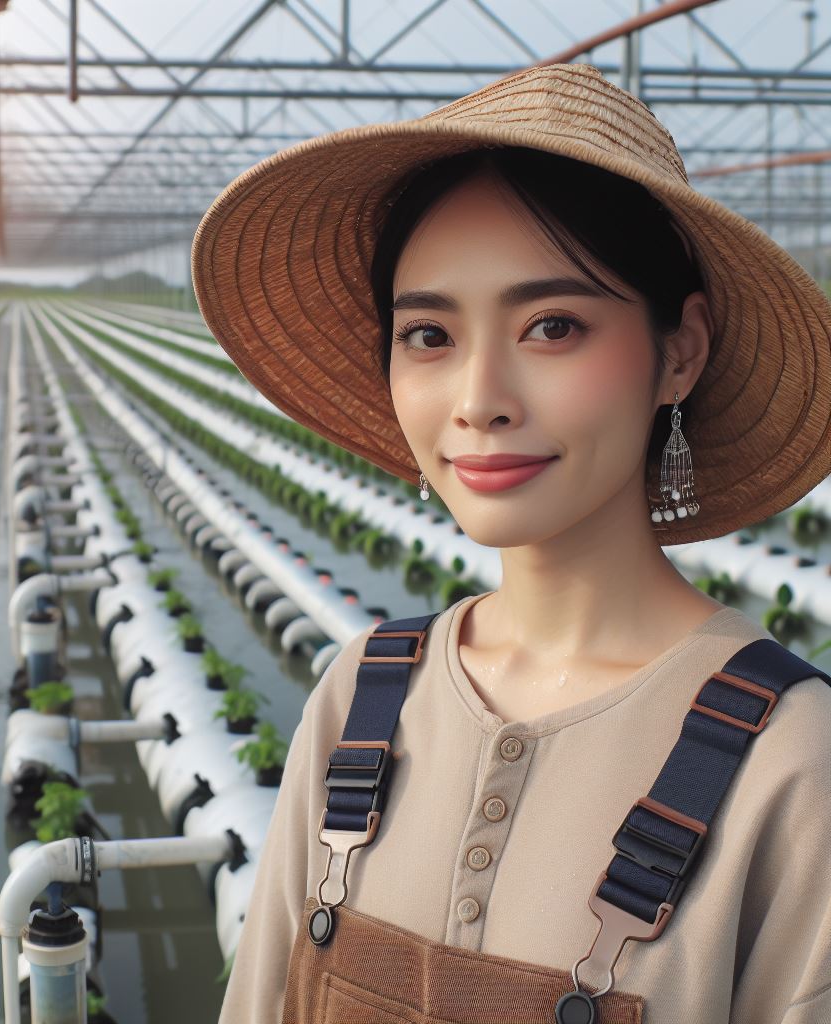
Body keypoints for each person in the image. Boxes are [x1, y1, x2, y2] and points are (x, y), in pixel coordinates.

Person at [191, 63, 831, 1023]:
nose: (480, 397)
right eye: (429, 335)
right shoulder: (364, 694)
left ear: (681, 351)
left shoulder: (792, 762)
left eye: (553, 325)